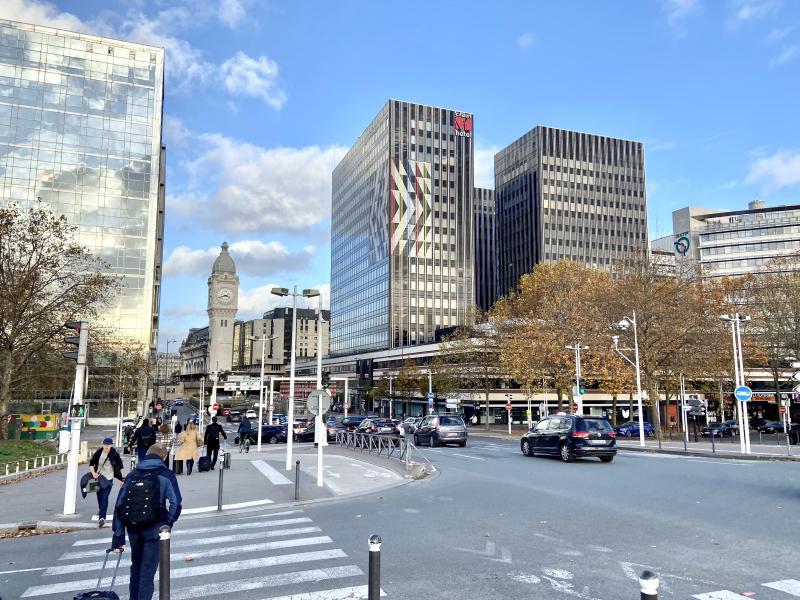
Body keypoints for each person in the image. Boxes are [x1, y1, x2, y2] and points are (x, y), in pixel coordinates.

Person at [111, 444, 182, 600]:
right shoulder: (166, 474)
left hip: (133, 528)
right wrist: (167, 525)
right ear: (164, 457)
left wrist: (118, 538)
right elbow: (176, 503)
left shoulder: (132, 474)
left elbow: (119, 505)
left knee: (136, 567)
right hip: (155, 528)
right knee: (147, 571)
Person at [88, 438, 125, 528]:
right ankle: (102, 511)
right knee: (99, 497)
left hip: (108, 479)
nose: (106, 446)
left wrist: (122, 478)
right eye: (105, 444)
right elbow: (91, 464)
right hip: (99, 478)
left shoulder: (114, 454)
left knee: (104, 497)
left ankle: (102, 518)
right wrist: (93, 473)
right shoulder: (98, 452)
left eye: (108, 445)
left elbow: (121, 466)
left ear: (111, 445)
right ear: (102, 445)